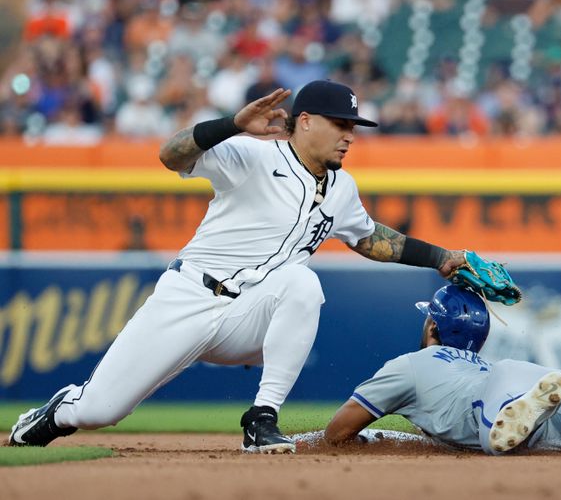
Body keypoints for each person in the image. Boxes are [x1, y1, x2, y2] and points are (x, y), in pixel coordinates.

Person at [8, 80, 471, 454]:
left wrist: (441, 258)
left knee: (301, 282)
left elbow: (370, 238)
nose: (350, 133)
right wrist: (232, 124)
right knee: (99, 412)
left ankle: (261, 418)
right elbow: (170, 155)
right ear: (304, 122)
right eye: (340, 123)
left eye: (354, 125)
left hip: (247, 315)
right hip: (188, 297)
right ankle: (61, 409)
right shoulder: (254, 154)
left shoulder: (342, 187)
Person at [324, 285, 561, 454]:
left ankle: (512, 417)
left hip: (499, 395)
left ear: (433, 327)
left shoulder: (409, 365)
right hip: (531, 382)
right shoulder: (481, 362)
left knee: (497, 438)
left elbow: (338, 432)